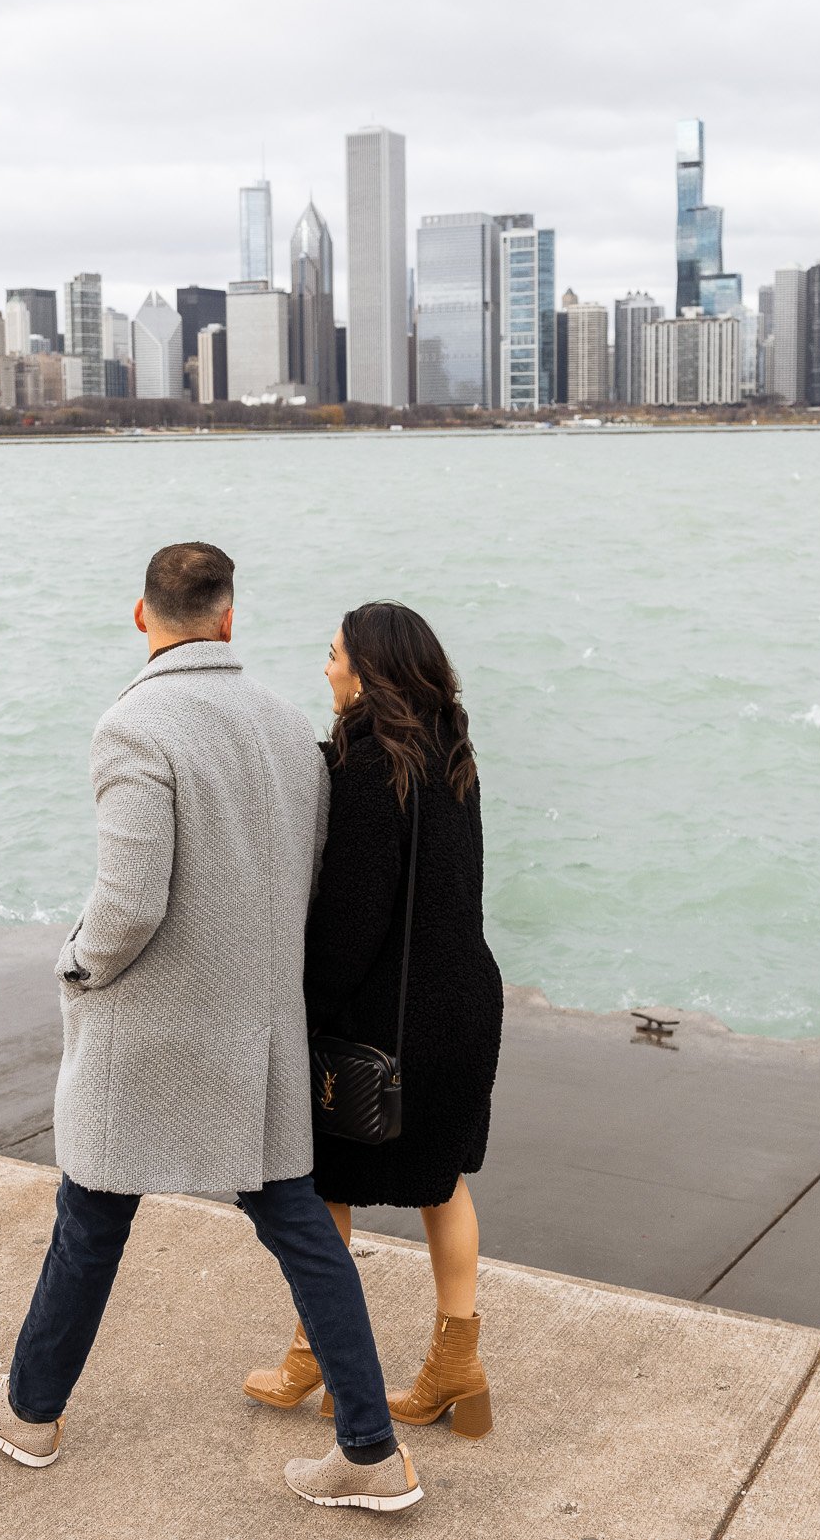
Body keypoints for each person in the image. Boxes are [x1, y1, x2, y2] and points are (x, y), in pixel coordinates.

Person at [0, 543, 424, 1513]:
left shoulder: (133, 726)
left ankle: (30, 1409)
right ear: (229, 619)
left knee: (92, 1212)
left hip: (152, 1034)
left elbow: (128, 902)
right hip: (259, 1036)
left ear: (142, 616)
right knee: (295, 1223)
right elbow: (309, 885)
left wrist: (77, 958)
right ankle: (369, 1447)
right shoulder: (291, 730)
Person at [243, 601, 504, 1440]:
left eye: (332, 656)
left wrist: (300, 1000)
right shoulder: (453, 753)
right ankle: (456, 1367)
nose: (325, 669)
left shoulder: (366, 765)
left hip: (389, 1027)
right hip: (465, 1003)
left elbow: (353, 917)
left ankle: (313, 1354)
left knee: (324, 1184)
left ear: (367, 672)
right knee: (442, 1185)